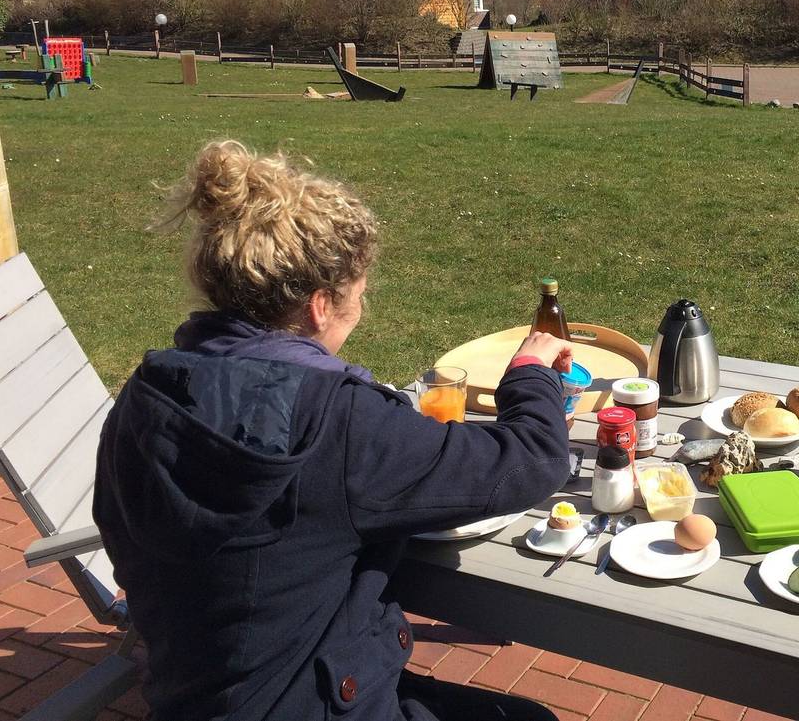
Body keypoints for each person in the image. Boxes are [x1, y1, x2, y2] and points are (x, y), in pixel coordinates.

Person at [94, 140, 571, 721]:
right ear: (320, 306)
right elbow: (530, 459)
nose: (360, 310)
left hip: (196, 696)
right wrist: (530, 372)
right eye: (359, 296)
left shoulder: (147, 395)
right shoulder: (336, 423)